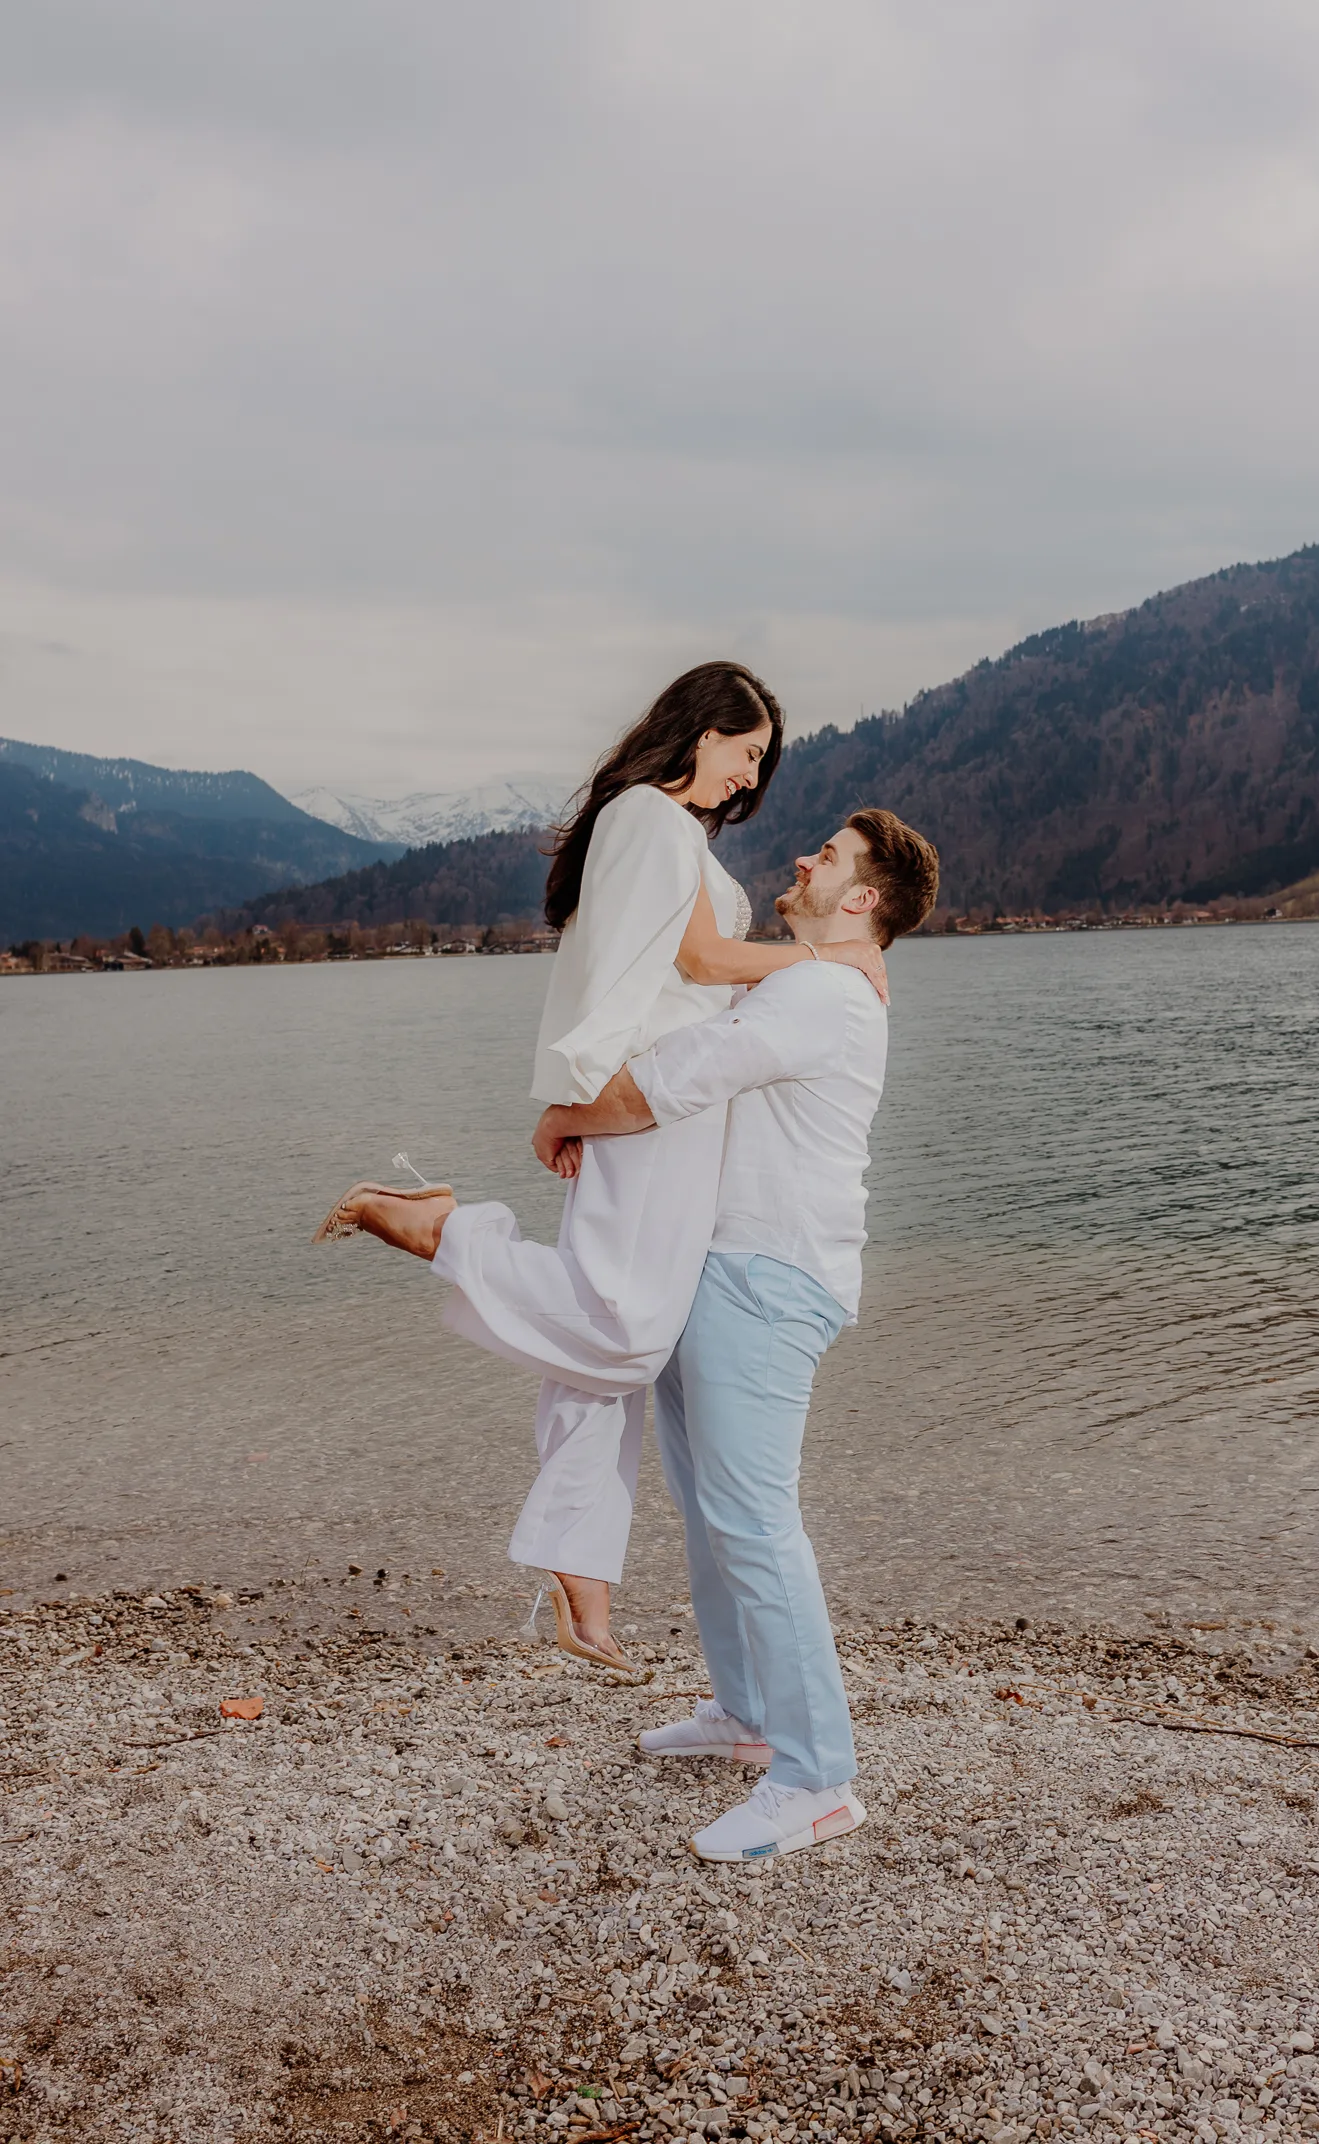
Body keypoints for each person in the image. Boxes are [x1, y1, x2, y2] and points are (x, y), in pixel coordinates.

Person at [312, 663, 886, 1670]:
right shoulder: (654, 819)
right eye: (747, 754)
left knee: (608, 1331)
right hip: (655, 1100)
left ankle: (583, 1576)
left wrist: (580, 1098)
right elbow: (701, 965)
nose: (750, 781)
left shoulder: (655, 827)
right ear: (705, 731)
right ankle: (446, 1228)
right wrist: (831, 961)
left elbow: (663, 965)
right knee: (622, 1330)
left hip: (663, 1099)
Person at [529, 807, 939, 1859]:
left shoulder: (824, 993)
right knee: (712, 1511)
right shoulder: (805, 979)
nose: (805, 857)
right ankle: (750, 1718)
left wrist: (565, 1115)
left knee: (755, 1521)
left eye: (831, 858)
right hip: (718, 1268)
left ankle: (819, 1777)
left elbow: (674, 1082)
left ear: (861, 900)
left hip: (767, 1276)